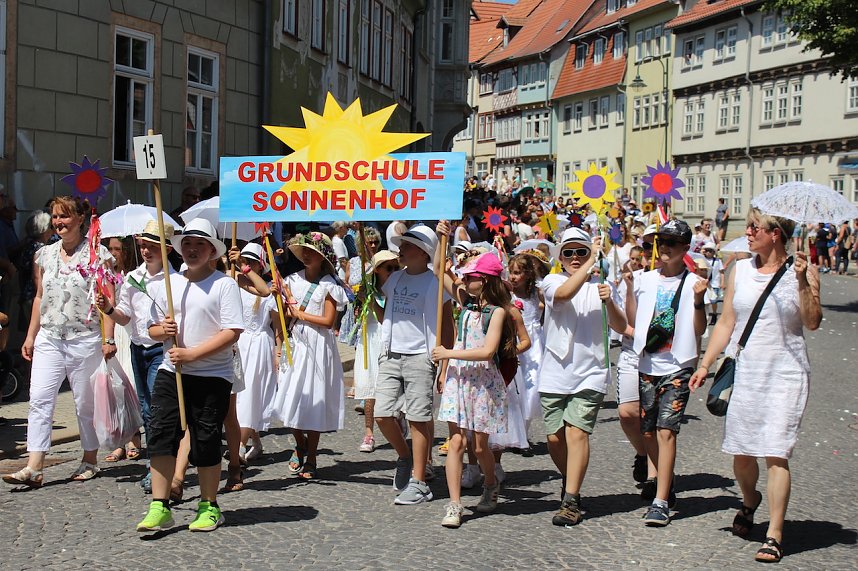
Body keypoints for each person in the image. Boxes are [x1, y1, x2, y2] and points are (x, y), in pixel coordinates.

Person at [690, 209, 821, 564]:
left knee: (776, 452)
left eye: (754, 227)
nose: (747, 232)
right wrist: (705, 363)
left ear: (776, 234)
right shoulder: (741, 270)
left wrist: (805, 283)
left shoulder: (803, 271)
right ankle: (750, 501)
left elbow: (812, 322)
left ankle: (775, 534)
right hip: (746, 370)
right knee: (743, 453)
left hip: (785, 373)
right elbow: (727, 321)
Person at [136, 218, 244, 532]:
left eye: (200, 244)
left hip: (212, 374)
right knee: (161, 434)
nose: (192, 249)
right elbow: (152, 328)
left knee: (206, 439)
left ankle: (209, 505)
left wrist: (193, 354)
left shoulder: (223, 284)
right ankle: (160, 505)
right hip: (173, 371)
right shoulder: (170, 283)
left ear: (212, 250)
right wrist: (162, 331)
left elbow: (232, 331)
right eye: (187, 244)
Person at [3, 197, 116, 488]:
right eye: (55, 217)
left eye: (64, 217)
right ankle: (34, 466)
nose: (58, 222)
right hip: (50, 338)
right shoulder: (44, 255)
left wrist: (108, 338)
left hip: (84, 339)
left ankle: (89, 459)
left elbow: (109, 302)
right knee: (39, 399)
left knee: (84, 403)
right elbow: (40, 296)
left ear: (81, 219)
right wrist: (30, 335)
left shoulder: (98, 256)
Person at [539, 227, 627, 526]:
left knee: (577, 432)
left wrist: (610, 300)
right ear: (560, 257)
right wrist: (590, 265)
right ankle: (570, 479)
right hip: (555, 370)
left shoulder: (602, 285)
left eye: (582, 251)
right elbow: (564, 295)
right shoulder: (551, 281)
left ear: (590, 253)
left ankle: (571, 499)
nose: (575, 257)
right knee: (554, 438)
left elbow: (620, 324)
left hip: (591, 370)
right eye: (569, 252)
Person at [627, 219, 708, 527]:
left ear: (685, 249)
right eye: (661, 242)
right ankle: (665, 479)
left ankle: (661, 501)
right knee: (647, 431)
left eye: (672, 243)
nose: (664, 248)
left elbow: (700, 330)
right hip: (647, 365)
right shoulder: (644, 280)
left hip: (677, 366)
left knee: (666, 431)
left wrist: (699, 300)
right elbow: (635, 321)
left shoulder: (693, 283)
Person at [432, 253, 520, 528]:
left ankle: (490, 484)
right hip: (459, 379)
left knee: (481, 446)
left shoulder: (498, 312)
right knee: (456, 442)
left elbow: (488, 351)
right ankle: (455, 504)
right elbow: (439, 272)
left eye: (470, 277)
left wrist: (449, 352)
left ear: (484, 282)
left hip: (483, 382)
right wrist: (440, 235)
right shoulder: (466, 304)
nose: (465, 280)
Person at [372, 224, 452, 505]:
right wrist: (369, 299)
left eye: (405, 246)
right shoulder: (395, 279)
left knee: (419, 418)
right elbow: (385, 314)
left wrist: (444, 364)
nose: (400, 250)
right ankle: (405, 456)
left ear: (421, 252)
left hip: (421, 355)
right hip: (391, 353)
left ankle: (420, 482)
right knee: (382, 414)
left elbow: (448, 327)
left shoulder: (435, 282)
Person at [96, 221, 175, 492]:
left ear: (166, 249)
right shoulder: (133, 278)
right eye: (143, 246)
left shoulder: (174, 280)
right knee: (145, 408)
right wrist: (108, 308)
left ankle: (160, 466)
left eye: (152, 246)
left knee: (156, 408)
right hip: (137, 347)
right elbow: (124, 315)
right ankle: (156, 464)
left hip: (161, 351)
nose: (146, 251)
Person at [272, 232, 349, 480]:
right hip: (296, 344)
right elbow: (282, 316)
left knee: (314, 400)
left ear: (322, 257)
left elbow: (328, 321)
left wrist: (300, 314)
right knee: (289, 396)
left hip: (318, 346)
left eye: (312, 251)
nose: (306, 255)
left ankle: (312, 455)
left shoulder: (329, 284)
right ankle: (299, 442)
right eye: (303, 250)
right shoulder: (291, 280)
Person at [227, 243, 275, 461]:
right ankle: (254, 440)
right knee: (237, 398)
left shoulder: (266, 287)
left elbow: (275, 324)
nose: (246, 264)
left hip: (258, 345)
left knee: (249, 397)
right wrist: (233, 265)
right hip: (238, 344)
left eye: (251, 261)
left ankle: (238, 447)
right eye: (244, 260)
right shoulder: (233, 281)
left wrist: (279, 351)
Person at [349, 235, 393, 453]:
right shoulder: (368, 288)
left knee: (392, 389)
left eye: (394, 267)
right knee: (369, 389)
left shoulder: (395, 291)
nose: (392, 271)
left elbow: (385, 317)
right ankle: (368, 433)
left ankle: (397, 421)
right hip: (370, 340)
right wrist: (365, 291)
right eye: (387, 268)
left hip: (389, 341)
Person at [701, 241, 724, 324]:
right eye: (706, 250)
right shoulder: (702, 259)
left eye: (710, 251)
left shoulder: (718, 261)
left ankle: (714, 313)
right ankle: (704, 316)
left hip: (714, 283)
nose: (708, 252)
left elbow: (721, 272)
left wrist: (722, 282)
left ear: (714, 252)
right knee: (704, 301)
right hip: (705, 284)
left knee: (713, 301)